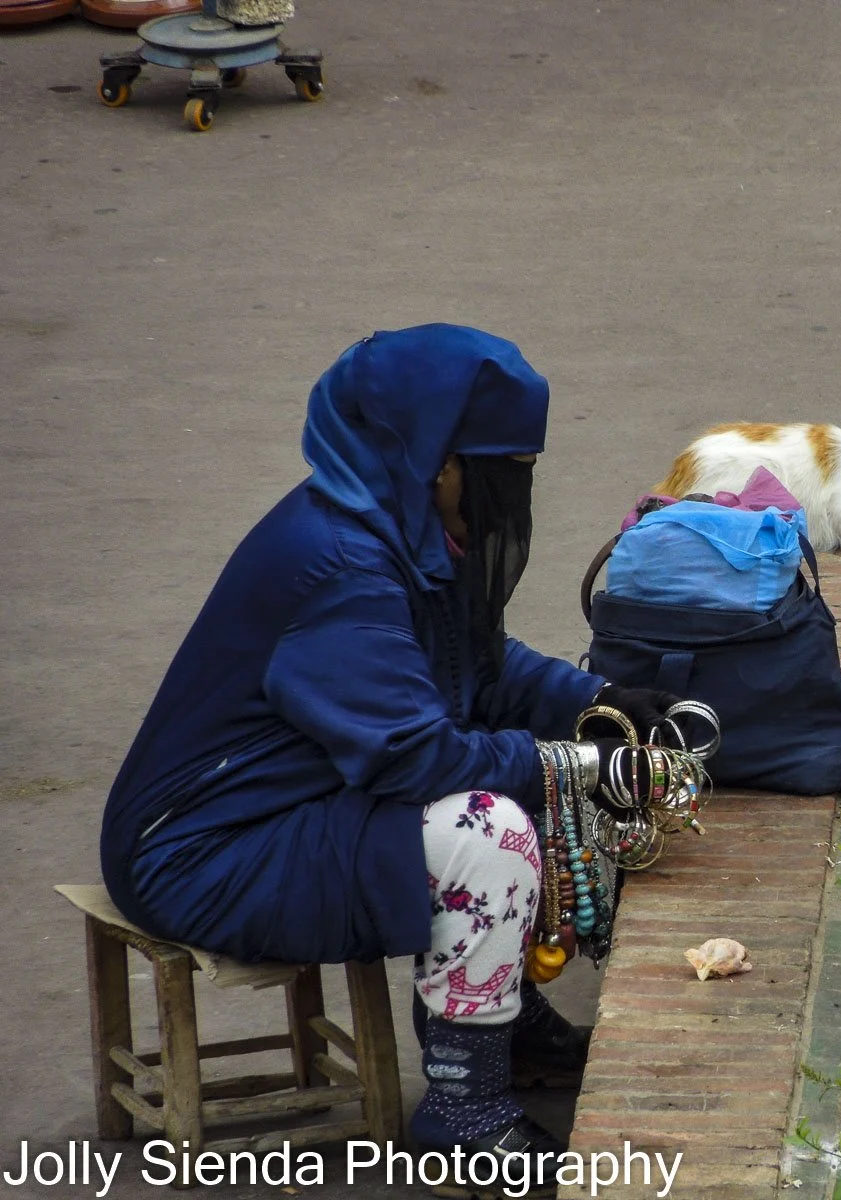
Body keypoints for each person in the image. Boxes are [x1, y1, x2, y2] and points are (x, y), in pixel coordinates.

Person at [99, 324, 686, 1169]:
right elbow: (419, 758)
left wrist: (601, 703)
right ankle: (465, 1113)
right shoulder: (338, 563)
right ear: (438, 462)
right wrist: (588, 764)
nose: (510, 498)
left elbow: (473, 664)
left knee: (512, 780)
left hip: (300, 806)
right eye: (500, 475)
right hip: (203, 854)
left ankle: (504, 1026)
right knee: (488, 831)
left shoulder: (390, 523)